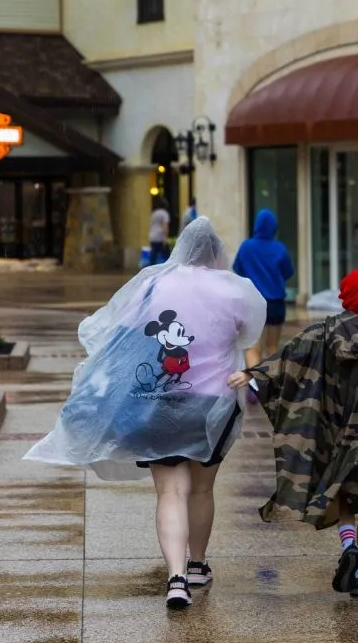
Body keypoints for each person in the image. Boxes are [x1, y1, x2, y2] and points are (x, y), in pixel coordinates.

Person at [24, 217, 266, 609]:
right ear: (217, 252)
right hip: (213, 405)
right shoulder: (234, 290)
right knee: (202, 489)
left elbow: (123, 330)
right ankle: (199, 563)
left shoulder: (155, 282)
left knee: (171, 490)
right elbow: (249, 332)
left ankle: (176, 577)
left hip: (159, 401)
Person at [228, 269, 358, 597]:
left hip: (334, 435)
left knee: (344, 494)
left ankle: (348, 546)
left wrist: (252, 375)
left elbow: (286, 359)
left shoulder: (320, 333)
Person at [232, 209, 295, 362]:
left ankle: (255, 384)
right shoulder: (279, 248)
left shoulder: (246, 247)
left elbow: (237, 269)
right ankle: (272, 382)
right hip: (276, 304)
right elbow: (288, 272)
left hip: (252, 304)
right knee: (273, 347)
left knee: (253, 348)